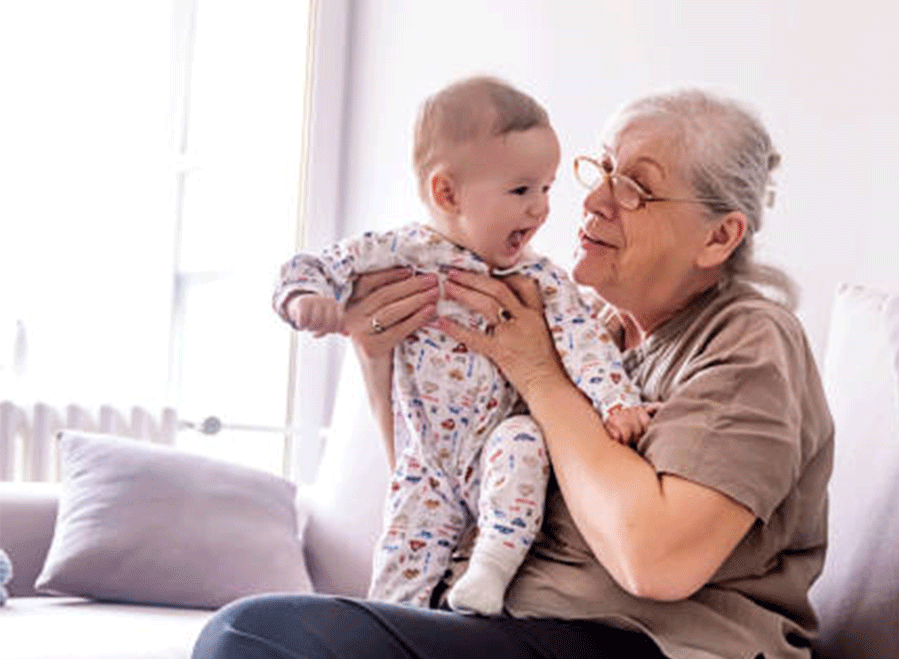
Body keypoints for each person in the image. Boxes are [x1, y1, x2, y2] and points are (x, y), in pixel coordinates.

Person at [103, 88, 833, 659]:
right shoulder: (586, 329)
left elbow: (657, 562)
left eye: (635, 186)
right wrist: (376, 356)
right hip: (530, 637)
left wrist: (539, 375)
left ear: (720, 236)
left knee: (256, 638)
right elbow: (458, 489)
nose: (595, 198)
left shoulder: (748, 337)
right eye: (600, 169)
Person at [272, 75, 651, 615]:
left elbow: (586, 342)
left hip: (494, 443)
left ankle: (490, 570)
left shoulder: (538, 278)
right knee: (400, 567)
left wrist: (616, 400)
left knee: (524, 443)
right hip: (425, 459)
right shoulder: (401, 252)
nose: (541, 209)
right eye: (522, 191)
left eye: (546, 189)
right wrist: (304, 298)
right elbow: (315, 264)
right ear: (446, 193)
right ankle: (388, 636)